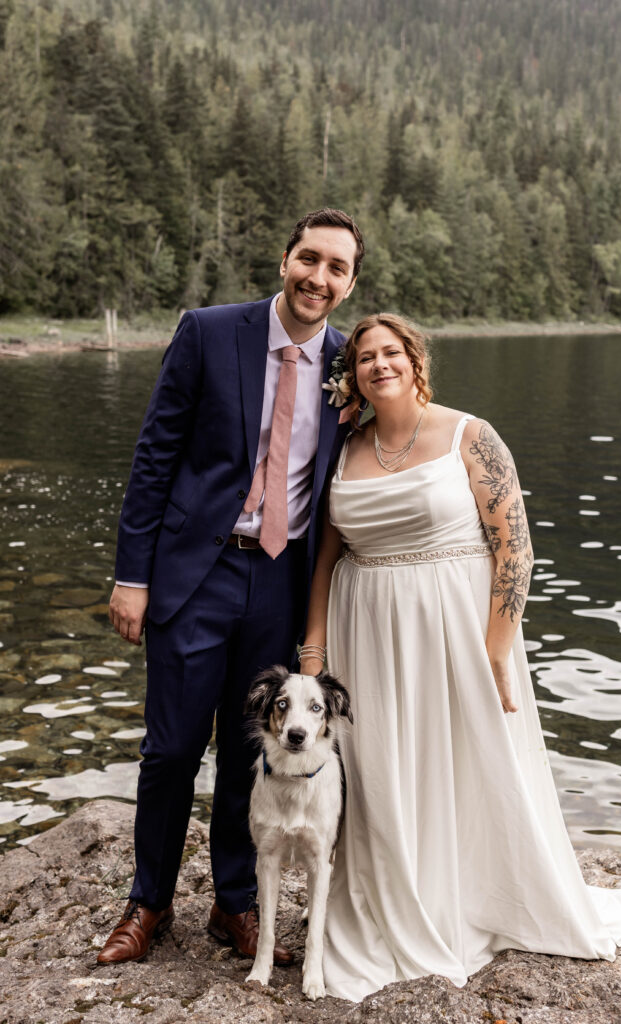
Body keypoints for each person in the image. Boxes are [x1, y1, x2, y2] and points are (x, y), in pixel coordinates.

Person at [300, 312, 621, 1002]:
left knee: (470, 759)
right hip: (366, 626)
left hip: (458, 624)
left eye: (391, 353)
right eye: (366, 357)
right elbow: (326, 556)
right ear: (352, 375)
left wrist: (496, 649)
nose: (379, 365)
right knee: (381, 766)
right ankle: (392, 898)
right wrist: (313, 651)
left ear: (414, 360)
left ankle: (479, 895)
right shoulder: (343, 448)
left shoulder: (471, 435)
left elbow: (514, 547)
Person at [97, 208, 364, 966]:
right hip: (195, 573)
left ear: (349, 284)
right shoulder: (209, 332)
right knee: (171, 749)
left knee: (255, 751)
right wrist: (133, 575)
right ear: (285, 260)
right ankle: (147, 903)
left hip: (282, 580)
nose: (318, 277)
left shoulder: (350, 363)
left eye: (336, 267)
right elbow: (155, 454)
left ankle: (235, 903)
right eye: (308, 259)